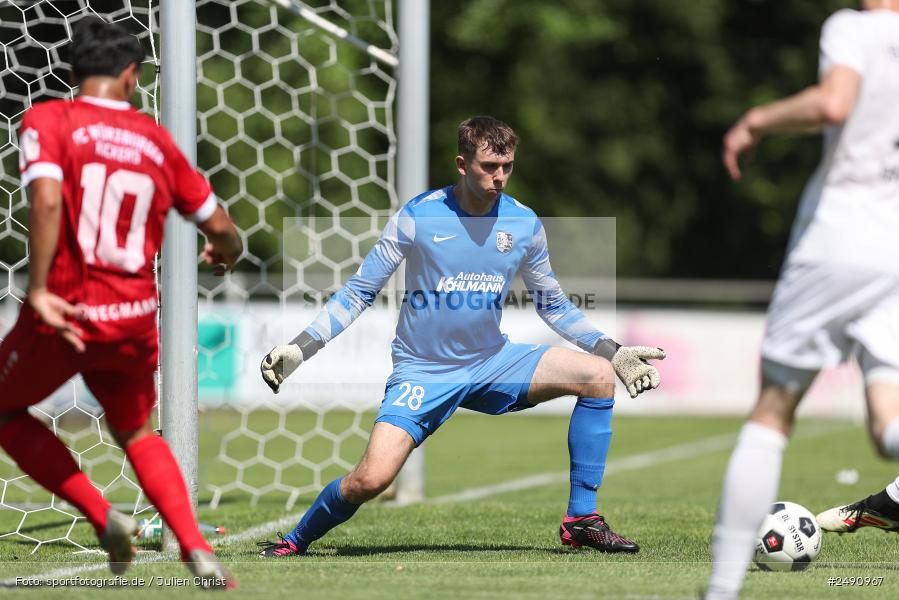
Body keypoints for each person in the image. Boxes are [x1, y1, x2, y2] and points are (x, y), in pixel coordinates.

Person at [257, 115, 666, 558]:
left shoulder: (524, 223)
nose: (500, 177)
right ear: (461, 163)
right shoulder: (418, 216)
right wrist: (300, 347)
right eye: (490, 166)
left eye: (507, 166)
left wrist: (615, 350)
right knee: (371, 480)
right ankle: (295, 541)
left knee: (597, 376)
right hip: (424, 371)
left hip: (492, 362)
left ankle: (581, 519)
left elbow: (554, 305)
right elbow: (360, 292)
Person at [0, 18, 242, 588]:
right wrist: (225, 251)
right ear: (132, 75)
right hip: (132, 317)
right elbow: (224, 227)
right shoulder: (156, 143)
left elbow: (48, 201)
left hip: (64, 310)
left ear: (73, 69)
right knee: (136, 433)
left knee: (6, 411)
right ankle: (197, 548)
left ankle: (102, 512)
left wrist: (37, 288)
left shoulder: (49, 119)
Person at [706, 2, 899, 598]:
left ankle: (720, 590)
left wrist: (757, 120)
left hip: (841, 229)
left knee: (772, 412)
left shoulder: (853, 28)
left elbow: (833, 102)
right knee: (887, 423)